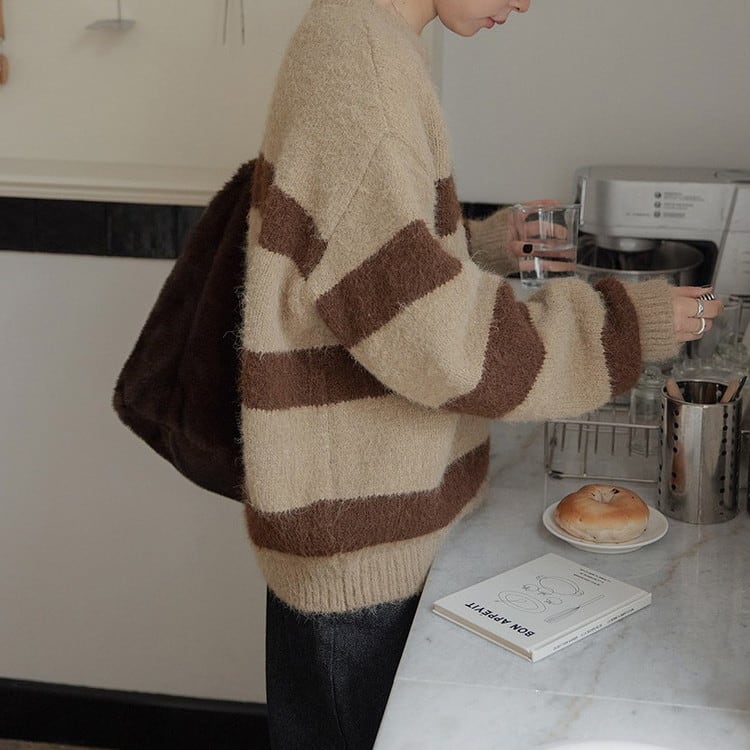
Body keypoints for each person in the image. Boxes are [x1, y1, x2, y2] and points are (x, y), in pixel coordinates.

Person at [237, 1, 722, 748]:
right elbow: (446, 347)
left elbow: (355, 263)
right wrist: (627, 323)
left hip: (367, 510)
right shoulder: (361, 71)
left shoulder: (361, 39)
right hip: (362, 534)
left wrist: (475, 246)